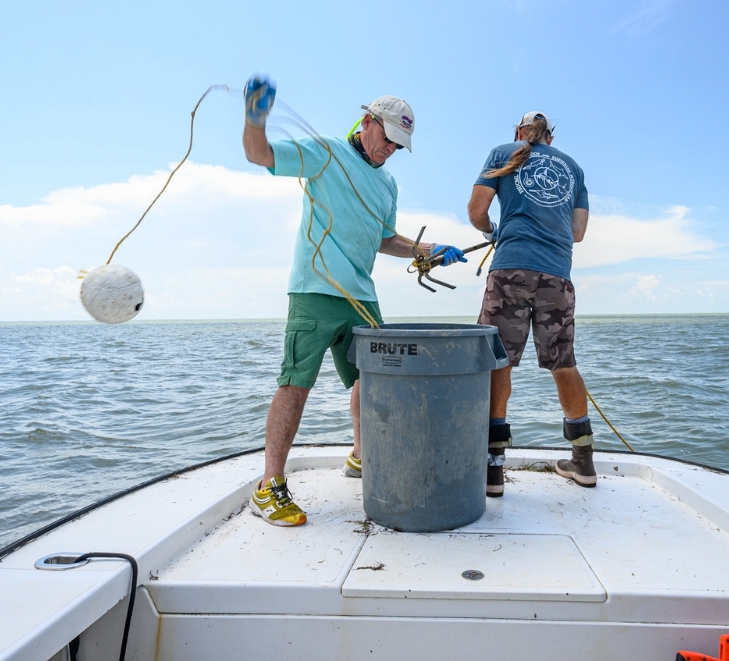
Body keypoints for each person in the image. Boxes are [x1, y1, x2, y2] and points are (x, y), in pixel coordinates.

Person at [242, 75, 467, 526]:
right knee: (295, 385)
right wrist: (256, 117)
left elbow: (386, 239)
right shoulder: (326, 152)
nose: (391, 151)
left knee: (376, 381)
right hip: (315, 290)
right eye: (388, 139)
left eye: (399, 147)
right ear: (367, 121)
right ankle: (269, 486)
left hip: (362, 297)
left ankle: (362, 457)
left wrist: (429, 251)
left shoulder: (388, 187)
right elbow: (259, 154)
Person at [468, 111, 592, 497]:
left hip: (510, 272)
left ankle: (493, 469)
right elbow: (578, 233)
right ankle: (583, 462)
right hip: (557, 275)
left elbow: (476, 212)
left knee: (497, 361)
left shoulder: (502, 152)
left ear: (519, 133)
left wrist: (494, 232)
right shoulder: (573, 168)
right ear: (550, 139)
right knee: (563, 364)